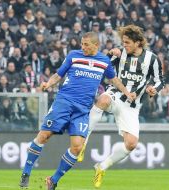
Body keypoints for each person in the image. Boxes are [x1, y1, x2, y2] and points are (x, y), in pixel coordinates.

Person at [19, 32, 136, 190]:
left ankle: (53, 180)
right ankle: (26, 173)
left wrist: (127, 93)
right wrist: (48, 83)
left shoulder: (104, 61)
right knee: (44, 135)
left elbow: (114, 79)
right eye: (82, 44)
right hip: (64, 102)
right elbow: (58, 74)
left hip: (82, 109)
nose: (83, 47)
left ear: (96, 45)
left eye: (86, 44)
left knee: (77, 147)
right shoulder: (74, 55)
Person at [87, 25, 164, 188]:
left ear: (138, 43)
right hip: (115, 94)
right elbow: (104, 66)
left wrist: (153, 89)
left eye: (127, 42)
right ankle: (83, 141)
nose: (124, 45)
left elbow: (159, 81)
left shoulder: (152, 59)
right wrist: (109, 54)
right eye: (123, 42)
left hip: (131, 106)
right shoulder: (120, 54)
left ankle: (101, 167)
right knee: (103, 100)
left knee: (131, 144)